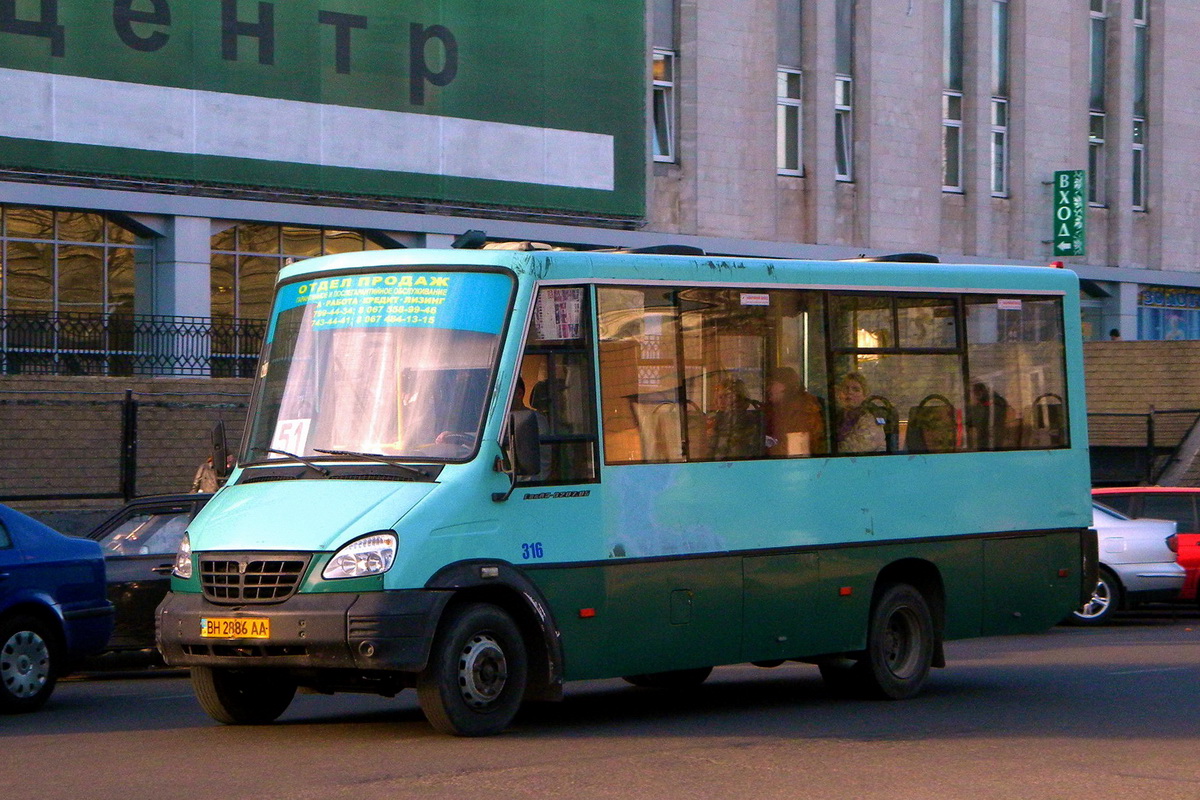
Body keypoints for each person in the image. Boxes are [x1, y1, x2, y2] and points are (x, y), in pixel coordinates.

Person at [763, 367, 826, 456]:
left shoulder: (801, 410)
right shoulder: (777, 409)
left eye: (772, 384)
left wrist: (765, 452)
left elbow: (796, 451)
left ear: (786, 385)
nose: (768, 388)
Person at [707, 377, 762, 459]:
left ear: (739, 398)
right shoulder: (715, 418)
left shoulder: (749, 419)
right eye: (720, 397)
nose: (722, 401)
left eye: (726, 396)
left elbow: (739, 448)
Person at [834, 372, 886, 453]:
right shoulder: (837, 416)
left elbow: (855, 449)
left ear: (864, 395)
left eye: (856, 390)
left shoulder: (870, 418)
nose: (850, 392)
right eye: (846, 388)